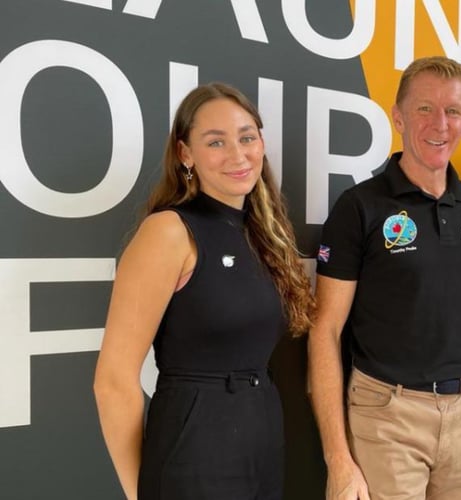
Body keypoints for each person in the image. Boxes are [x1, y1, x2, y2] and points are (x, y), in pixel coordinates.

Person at [93, 82, 314, 500]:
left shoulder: (262, 233)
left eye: (246, 137)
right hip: (193, 452)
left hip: (262, 441)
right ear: (185, 154)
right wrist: (140, 492)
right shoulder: (169, 232)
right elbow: (113, 381)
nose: (237, 154)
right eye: (216, 142)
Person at [308, 56, 461, 500]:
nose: (440, 123)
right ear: (398, 117)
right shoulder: (359, 207)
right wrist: (337, 458)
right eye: (425, 108)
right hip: (387, 416)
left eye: (453, 111)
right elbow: (325, 330)